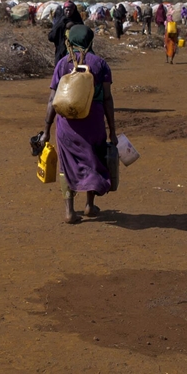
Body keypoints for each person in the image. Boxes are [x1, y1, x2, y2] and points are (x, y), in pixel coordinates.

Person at [40, 25, 117, 224]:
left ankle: (69, 211)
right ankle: (90, 205)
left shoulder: (62, 64)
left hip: (66, 124)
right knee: (93, 159)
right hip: (93, 121)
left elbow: (52, 99)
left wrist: (46, 130)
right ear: (90, 40)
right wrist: (113, 131)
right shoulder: (100, 64)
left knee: (67, 164)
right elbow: (107, 99)